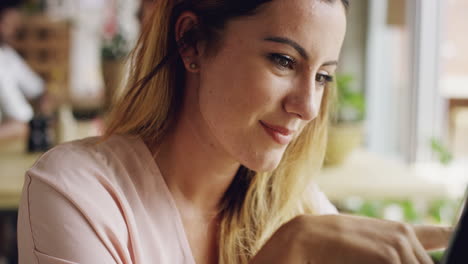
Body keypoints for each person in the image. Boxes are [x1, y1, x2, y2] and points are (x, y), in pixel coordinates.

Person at [17, 0, 452, 263]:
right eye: (283, 61)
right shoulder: (78, 194)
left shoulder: (300, 205)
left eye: (322, 76)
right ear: (191, 41)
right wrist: (283, 254)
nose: (307, 107)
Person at [0, 0, 46, 143]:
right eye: (10, 24)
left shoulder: (7, 54)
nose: (16, 30)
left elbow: (39, 89)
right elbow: (22, 120)